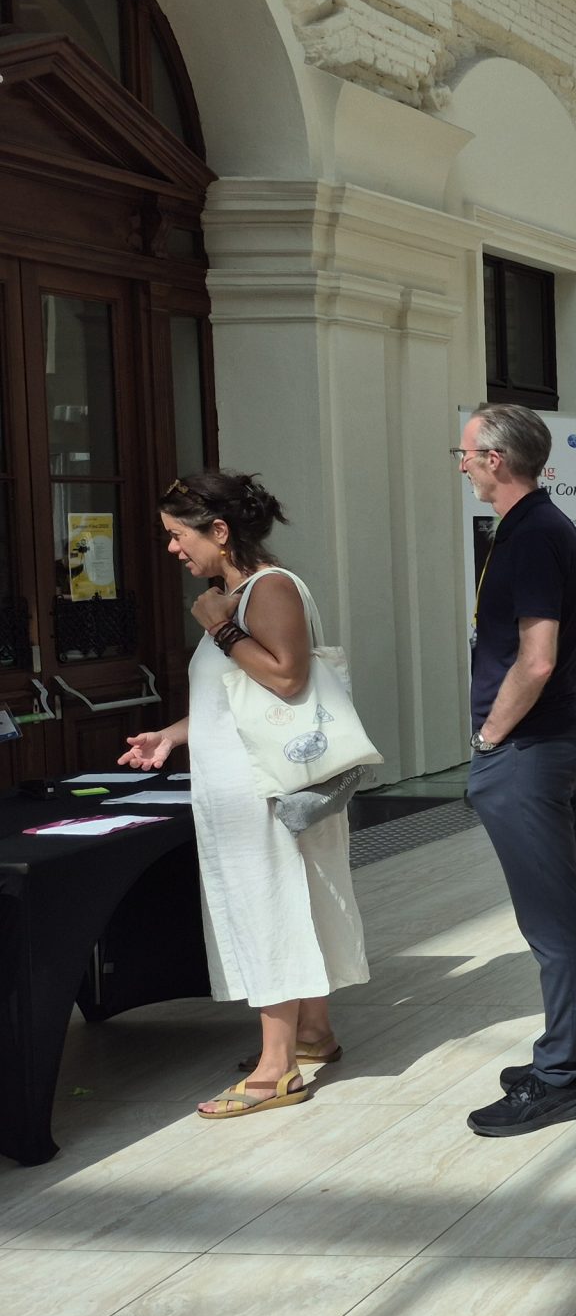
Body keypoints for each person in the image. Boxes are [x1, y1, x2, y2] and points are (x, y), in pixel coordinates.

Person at [121, 472, 368, 1118]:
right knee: (294, 900)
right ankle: (313, 1033)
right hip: (256, 784)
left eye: (178, 534)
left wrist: (220, 629)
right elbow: (238, 698)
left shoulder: (268, 588)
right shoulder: (237, 593)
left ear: (220, 531)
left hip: (262, 791)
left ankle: (276, 1069)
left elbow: (286, 678)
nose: (172, 547)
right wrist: (171, 735)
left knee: (268, 909)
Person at [456, 401, 576, 1137]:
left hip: (528, 749)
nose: (461, 464)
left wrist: (490, 738)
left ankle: (560, 1077)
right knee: (569, 906)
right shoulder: (539, 527)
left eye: (465, 453)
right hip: (550, 743)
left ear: (495, 460)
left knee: (552, 922)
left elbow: (536, 657)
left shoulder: (533, 534)